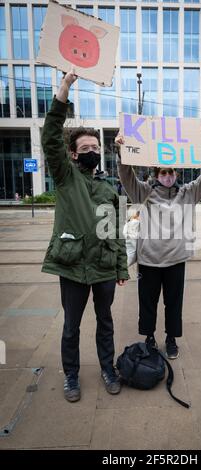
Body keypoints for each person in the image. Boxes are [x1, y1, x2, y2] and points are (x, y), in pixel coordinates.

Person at [41, 69, 129, 403]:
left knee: (105, 322)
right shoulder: (65, 177)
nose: (93, 150)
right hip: (73, 267)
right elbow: (51, 137)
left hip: (105, 267)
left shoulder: (108, 189)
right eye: (86, 147)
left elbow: (116, 232)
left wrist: (121, 268)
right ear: (74, 154)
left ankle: (108, 369)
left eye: (96, 146)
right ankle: (72, 376)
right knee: (71, 326)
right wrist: (64, 87)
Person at [115, 133, 201, 359]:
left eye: (170, 172)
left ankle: (171, 339)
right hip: (148, 261)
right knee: (147, 304)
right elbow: (126, 176)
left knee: (173, 303)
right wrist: (122, 153)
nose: (167, 176)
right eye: (163, 172)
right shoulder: (144, 192)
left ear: (176, 173)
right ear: (156, 175)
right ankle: (149, 338)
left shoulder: (188, 193)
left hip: (176, 262)